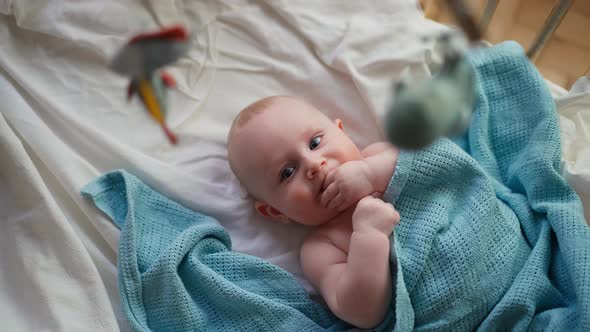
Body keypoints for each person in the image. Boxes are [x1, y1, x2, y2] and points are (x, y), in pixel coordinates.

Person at [227, 95, 400, 328]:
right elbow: (363, 313)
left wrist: (371, 173)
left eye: (315, 143)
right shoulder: (321, 248)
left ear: (342, 132)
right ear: (275, 212)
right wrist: (369, 236)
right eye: (287, 172)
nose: (312, 164)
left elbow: (436, 162)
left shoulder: (380, 156)